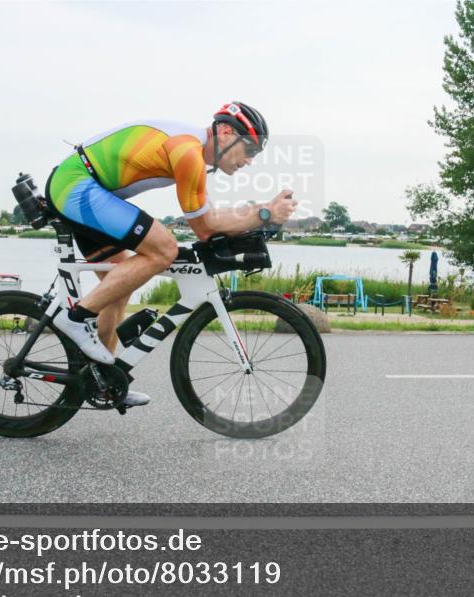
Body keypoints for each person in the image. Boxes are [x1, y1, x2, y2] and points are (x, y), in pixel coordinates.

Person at [45, 101, 297, 407]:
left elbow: (211, 217)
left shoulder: (193, 153)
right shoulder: (188, 152)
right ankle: (75, 318)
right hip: (77, 187)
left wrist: (261, 211)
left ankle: (103, 380)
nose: (249, 161)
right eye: (250, 150)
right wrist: (265, 213)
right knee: (164, 249)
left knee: (119, 283)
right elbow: (205, 228)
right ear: (227, 132)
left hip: (88, 189)